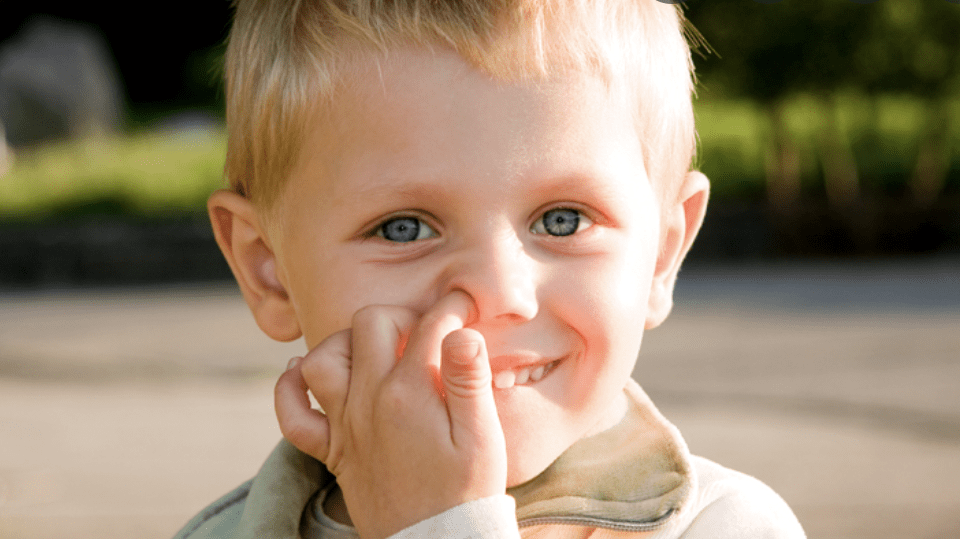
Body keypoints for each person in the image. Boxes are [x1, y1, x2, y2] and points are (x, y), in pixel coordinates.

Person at [175, 1, 806, 537]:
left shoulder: (726, 525)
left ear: (661, 254)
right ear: (269, 271)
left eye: (563, 220)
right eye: (405, 228)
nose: (500, 293)